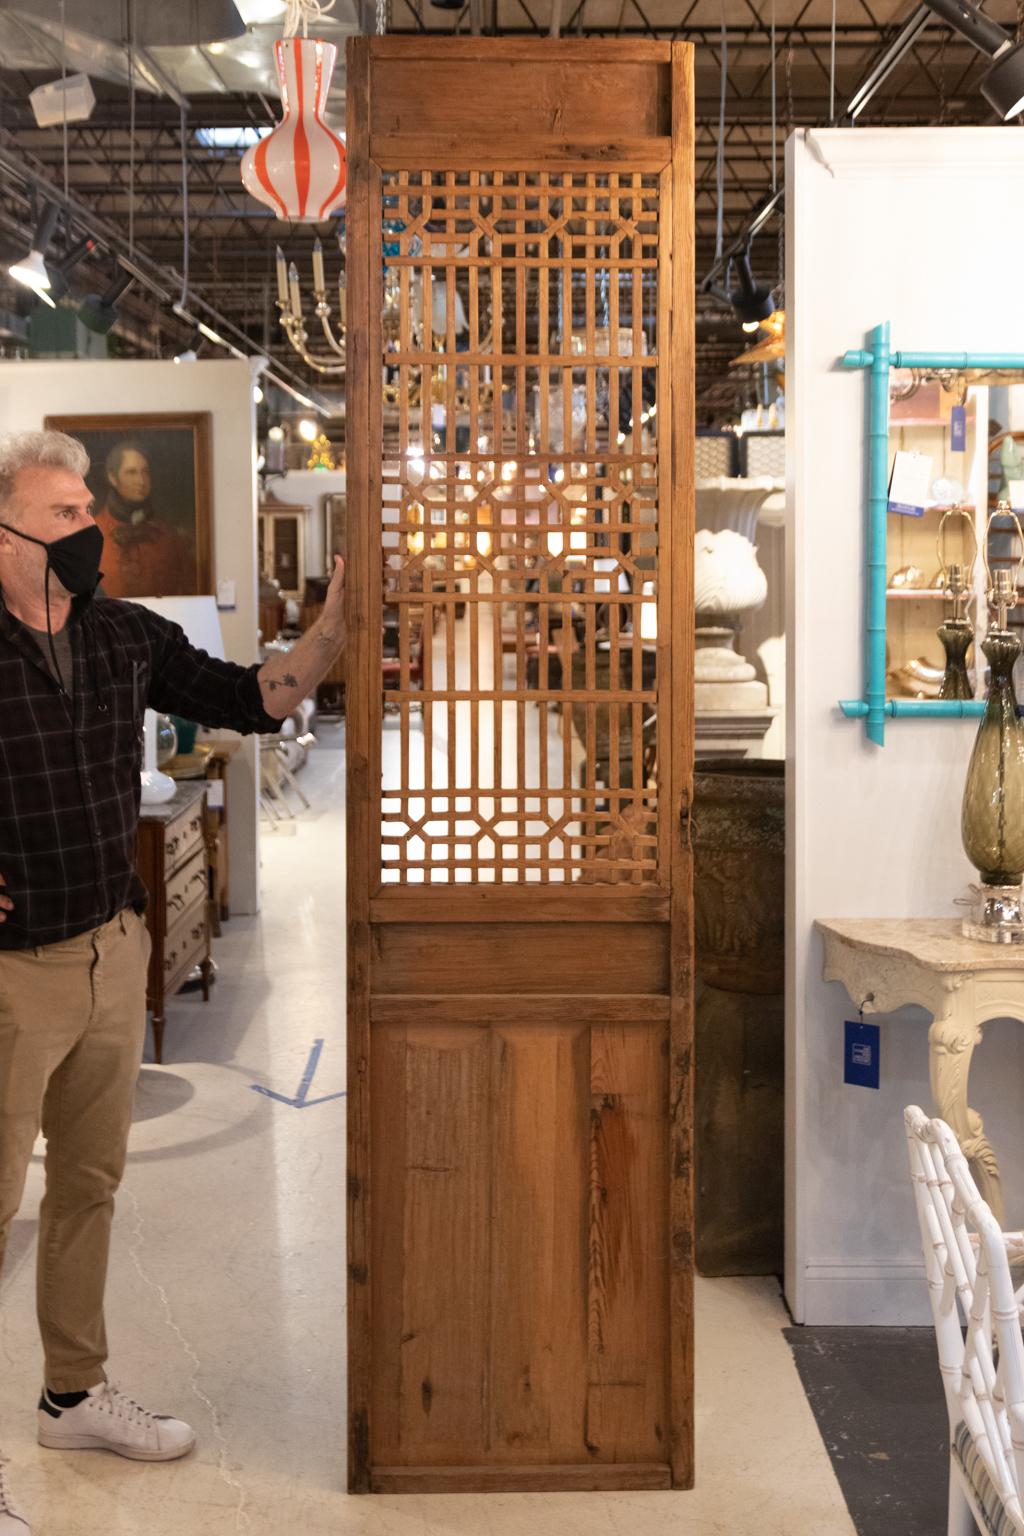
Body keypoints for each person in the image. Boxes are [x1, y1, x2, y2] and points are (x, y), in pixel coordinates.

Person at [0, 431, 345, 1536]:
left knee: (89, 1188)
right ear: (5, 534)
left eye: (89, 506)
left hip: (110, 950)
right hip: (10, 976)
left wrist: (339, 619)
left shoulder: (123, 637)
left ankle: (70, 1394)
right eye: (62, 513)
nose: (88, 526)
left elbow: (261, 694)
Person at [92, 441, 196, 598]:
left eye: (145, 472)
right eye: (131, 472)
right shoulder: (91, 533)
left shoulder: (169, 535)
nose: (141, 481)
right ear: (113, 478)